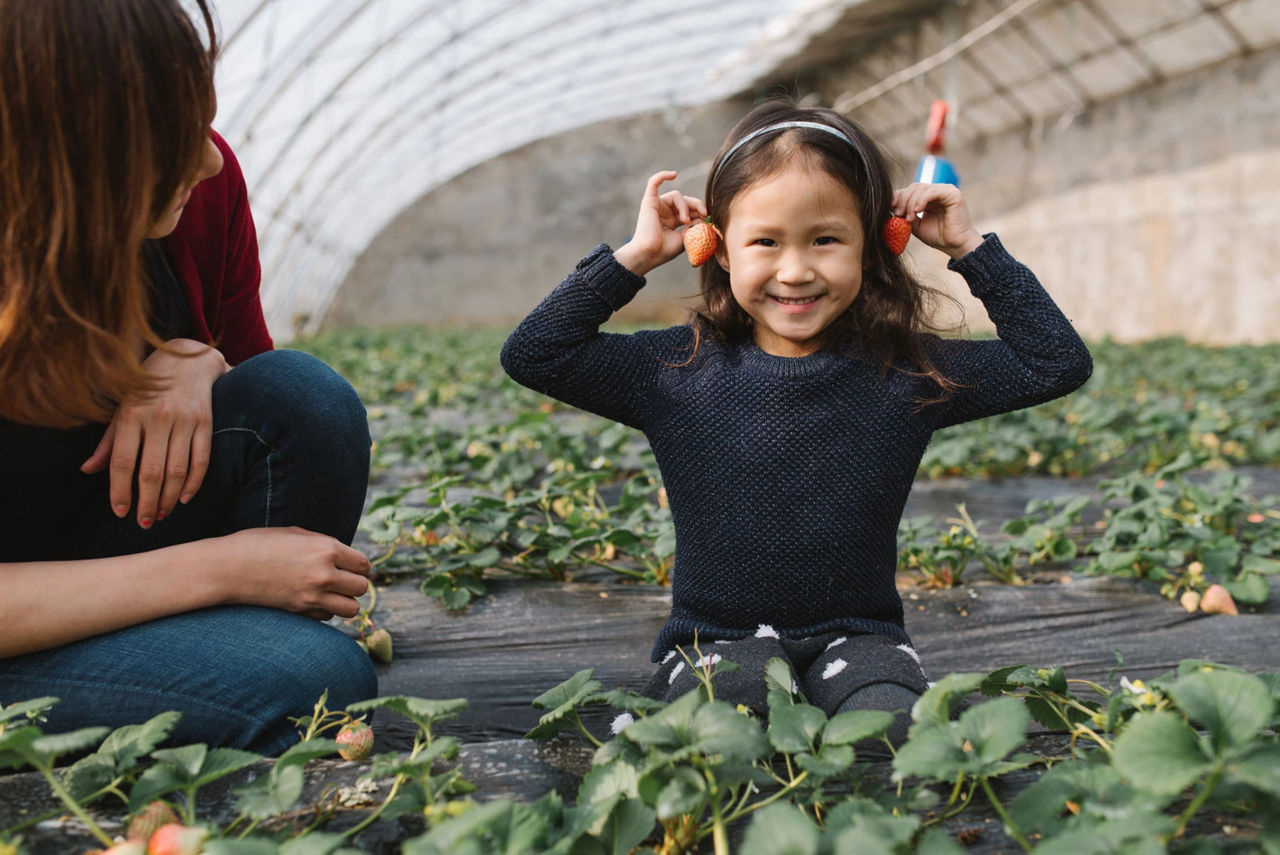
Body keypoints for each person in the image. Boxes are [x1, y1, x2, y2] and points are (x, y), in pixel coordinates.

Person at [501, 99, 1092, 746]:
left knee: (892, 732)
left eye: (826, 239)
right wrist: (635, 257)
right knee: (728, 727)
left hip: (861, 637)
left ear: (875, 244)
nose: (795, 270)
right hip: (715, 639)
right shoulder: (676, 369)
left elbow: (1055, 363)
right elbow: (534, 353)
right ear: (718, 249)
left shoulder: (907, 374)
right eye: (765, 241)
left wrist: (971, 249)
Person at [0, 0, 376, 755]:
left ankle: (185, 670)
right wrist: (220, 571)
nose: (206, 159)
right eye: (171, 136)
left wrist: (195, 360)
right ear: (68, 154)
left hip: (95, 560)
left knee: (302, 399)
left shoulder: (202, 188)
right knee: (312, 676)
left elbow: (261, 383)